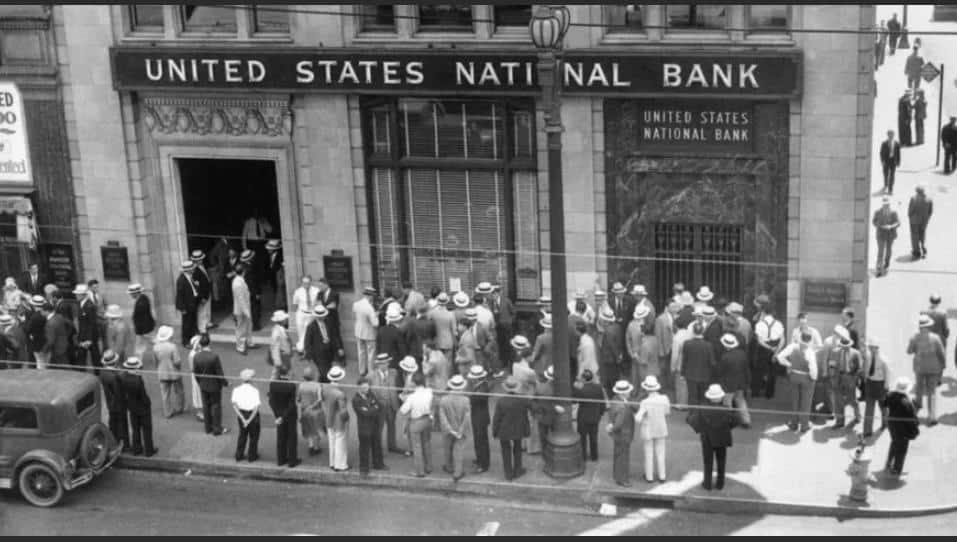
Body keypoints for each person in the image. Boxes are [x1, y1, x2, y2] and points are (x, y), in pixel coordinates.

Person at [688, 384, 739, 491]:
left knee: (708, 462)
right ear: (721, 397)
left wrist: (701, 428)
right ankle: (720, 483)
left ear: (709, 397)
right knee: (721, 461)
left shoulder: (703, 408)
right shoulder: (726, 409)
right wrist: (727, 428)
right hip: (722, 438)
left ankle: (707, 484)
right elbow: (736, 420)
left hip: (707, 439)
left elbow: (691, 420)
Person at [776, 332, 819, 433]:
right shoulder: (810, 351)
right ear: (810, 340)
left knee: (794, 400)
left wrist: (789, 364)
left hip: (794, 376)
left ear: (800, 338)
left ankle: (794, 423)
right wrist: (814, 378)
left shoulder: (792, 347)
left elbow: (780, 357)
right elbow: (813, 368)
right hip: (806, 377)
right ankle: (804, 425)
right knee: (806, 402)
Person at [908, 314, 946, 426]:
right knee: (931, 392)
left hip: (919, 367)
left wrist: (914, 347)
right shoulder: (936, 338)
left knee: (919, 388)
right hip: (933, 368)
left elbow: (909, 351)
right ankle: (931, 416)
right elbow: (941, 353)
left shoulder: (915, 337)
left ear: (919, 327)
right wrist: (943, 365)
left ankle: (917, 405)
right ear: (929, 326)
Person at [492, 377, 531, 481]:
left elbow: (497, 418)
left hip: (504, 430)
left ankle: (508, 474)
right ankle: (518, 470)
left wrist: (494, 431)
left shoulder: (501, 401)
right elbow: (534, 407)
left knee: (505, 450)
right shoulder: (523, 400)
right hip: (519, 428)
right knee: (518, 449)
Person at [823, 326, 862, 429]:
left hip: (850, 378)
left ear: (850, 345)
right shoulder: (835, 352)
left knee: (852, 400)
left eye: (847, 346)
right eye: (843, 346)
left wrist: (855, 379)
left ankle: (857, 416)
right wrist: (832, 377)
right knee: (838, 401)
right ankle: (840, 421)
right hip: (838, 377)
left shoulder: (856, 353)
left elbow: (859, 368)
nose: (845, 347)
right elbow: (831, 365)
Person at [882, 377, 920, 477]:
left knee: (894, 443)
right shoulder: (906, 402)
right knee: (901, 449)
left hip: (892, 424)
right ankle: (896, 469)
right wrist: (916, 429)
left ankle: (889, 463)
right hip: (902, 429)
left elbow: (884, 404)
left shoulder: (890, 395)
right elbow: (912, 419)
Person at [635, 375, 671, 483]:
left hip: (648, 430)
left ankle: (649, 477)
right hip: (660, 428)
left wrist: (639, 416)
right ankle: (662, 476)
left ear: (646, 389)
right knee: (661, 453)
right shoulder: (665, 399)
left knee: (648, 454)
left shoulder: (645, 402)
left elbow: (638, 418)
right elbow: (667, 412)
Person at [120, 356, 157, 456]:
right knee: (147, 429)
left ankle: (136, 449)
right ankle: (149, 450)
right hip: (143, 408)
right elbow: (143, 395)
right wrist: (148, 403)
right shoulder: (138, 380)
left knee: (135, 429)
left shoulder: (123, 377)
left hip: (132, 407)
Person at [399, 371, 434, 478]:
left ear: (414, 383)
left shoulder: (412, 397)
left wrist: (403, 398)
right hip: (427, 419)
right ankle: (428, 467)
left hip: (416, 422)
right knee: (426, 444)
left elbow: (403, 411)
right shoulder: (429, 392)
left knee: (417, 447)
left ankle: (420, 471)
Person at [192, 334, 228, 436]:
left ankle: (207, 428)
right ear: (209, 343)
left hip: (203, 385)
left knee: (206, 406)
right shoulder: (214, 356)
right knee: (216, 407)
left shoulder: (196, 356)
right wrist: (225, 383)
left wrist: (200, 382)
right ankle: (217, 429)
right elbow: (219, 373)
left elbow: (196, 373)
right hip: (214, 386)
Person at [439, 374, 472, 482]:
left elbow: (442, 417)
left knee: (447, 448)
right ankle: (457, 473)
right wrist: (461, 430)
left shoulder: (444, 400)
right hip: (460, 430)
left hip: (448, 430)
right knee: (459, 451)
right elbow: (467, 417)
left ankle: (448, 467)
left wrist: (450, 430)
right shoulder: (466, 400)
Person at [607, 379, 638, 487]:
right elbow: (618, 424)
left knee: (617, 455)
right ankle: (623, 479)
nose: (630, 392)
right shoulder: (622, 407)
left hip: (618, 435)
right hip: (624, 434)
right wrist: (612, 428)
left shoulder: (615, 399)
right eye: (628, 391)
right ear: (624, 393)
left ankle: (617, 475)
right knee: (623, 458)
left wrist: (610, 428)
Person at [353, 376, 385, 477]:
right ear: (359, 387)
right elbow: (365, 413)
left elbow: (379, 406)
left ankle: (378, 464)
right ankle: (364, 469)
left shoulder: (371, 393)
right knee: (364, 448)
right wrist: (373, 408)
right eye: (364, 388)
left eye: (367, 387)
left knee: (377, 445)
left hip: (374, 425)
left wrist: (371, 409)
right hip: (364, 428)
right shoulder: (356, 399)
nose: (367, 389)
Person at [717, 333, 751, 428]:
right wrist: (747, 382)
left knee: (727, 403)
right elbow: (746, 369)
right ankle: (746, 421)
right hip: (741, 383)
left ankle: (728, 421)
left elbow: (720, 372)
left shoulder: (725, 357)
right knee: (741, 401)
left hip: (728, 384)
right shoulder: (742, 354)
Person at [370, 353, 402, 455]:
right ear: (378, 364)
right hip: (379, 407)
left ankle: (392, 446)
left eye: (386, 363)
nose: (384, 365)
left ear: (388, 363)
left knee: (392, 426)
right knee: (378, 428)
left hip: (392, 405)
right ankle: (377, 448)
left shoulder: (394, 373)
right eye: (382, 363)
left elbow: (398, 387)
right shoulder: (371, 376)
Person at [269, 366, 300, 468]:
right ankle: (292, 461)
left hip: (278, 414)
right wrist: (283, 416)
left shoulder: (273, 384)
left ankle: (281, 459)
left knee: (281, 437)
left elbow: (271, 402)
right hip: (290, 415)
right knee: (291, 437)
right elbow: (291, 404)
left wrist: (278, 416)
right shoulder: (291, 386)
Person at [751, 306, 784, 399]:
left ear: (764, 313)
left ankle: (756, 392)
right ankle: (769, 393)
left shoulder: (760, 324)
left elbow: (760, 340)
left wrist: (769, 347)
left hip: (763, 349)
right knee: (772, 372)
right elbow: (782, 339)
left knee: (759, 370)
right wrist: (776, 351)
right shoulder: (779, 324)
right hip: (776, 347)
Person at [573, 369, 606, 461]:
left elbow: (574, 400)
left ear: (584, 379)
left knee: (582, 439)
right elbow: (602, 402)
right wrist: (600, 414)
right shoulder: (598, 388)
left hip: (583, 418)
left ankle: (583, 456)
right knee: (594, 438)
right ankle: (594, 456)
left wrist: (575, 388)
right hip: (594, 417)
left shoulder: (581, 390)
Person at [304, 305, 342, 384]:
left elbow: (334, 336)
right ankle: (326, 385)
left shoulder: (329, 323)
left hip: (330, 352)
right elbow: (307, 342)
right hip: (318, 354)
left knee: (327, 370)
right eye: (320, 316)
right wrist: (309, 355)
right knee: (324, 372)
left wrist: (339, 348)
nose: (322, 317)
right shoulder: (311, 326)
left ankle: (322, 383)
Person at [153, 325, 184, 418]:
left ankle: (167, 412)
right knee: (179, 391)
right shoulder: (172, 347)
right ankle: (179, 408)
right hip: (174, 373)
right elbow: (177, 361)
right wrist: (179, 368)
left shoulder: (155, 347)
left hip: (162, 373)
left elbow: (155, 361)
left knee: (165, 394)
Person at [98, 350, 128, 448]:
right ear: (114, 362)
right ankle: (122, 445)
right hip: (118, 404)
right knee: (121, 425)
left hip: (110, 403)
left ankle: (112, 442)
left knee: (113, 423)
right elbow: (118, 392)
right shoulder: (114, 377)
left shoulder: (102, 372)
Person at [861, 337, 890, 438]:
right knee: (869, 408)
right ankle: (867, 431)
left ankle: (885, 423)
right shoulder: (868, 357)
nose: (870, 349)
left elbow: (887, 373)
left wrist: (886, 385)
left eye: (872, 347)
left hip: (880, 384)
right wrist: (865, 380)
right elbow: (866, 368)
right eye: (869, 347)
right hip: (870, 384)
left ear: (877, 348)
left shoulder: (883, 359)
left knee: (883, 406)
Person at [323, 365, 350, 471]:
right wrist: (347, 419)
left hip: (329, 419)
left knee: (332, 442)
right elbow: (343, 410)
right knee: (340, 443)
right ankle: (340, 465)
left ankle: (332, 463)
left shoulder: (325, 389)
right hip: (339, 421)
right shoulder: (340, 394)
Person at [682, 322, 715, 405]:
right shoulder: (708, 345)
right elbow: (712, 362)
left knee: (692, 397)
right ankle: (702, 412)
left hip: (690, 374)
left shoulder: (687, 343)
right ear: (703, 331)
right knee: (703, 397)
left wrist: (682, 373)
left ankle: (692, 412)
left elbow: (684, 360)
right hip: (704, 375)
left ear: (693, 331)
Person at [466, 365, 492, 473]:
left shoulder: (481, 389)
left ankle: (484, 464)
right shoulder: (480, 386)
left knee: (481, 441)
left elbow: (471, 399)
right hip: (478, 416)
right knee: (478, 440)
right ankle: (480, 459)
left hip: (480, 418)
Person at [232, 369, 261, 462]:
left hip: (242, 414)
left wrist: (243, 419)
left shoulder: (236, 390)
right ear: (251, 379)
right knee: (254, 436)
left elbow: (235, 406)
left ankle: (239, 455)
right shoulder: (255, 391)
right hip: (253, 416)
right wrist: (249, 420)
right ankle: (252, 456)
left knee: (242, 435)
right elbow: (256, 408)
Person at [378, 303, 408, 385]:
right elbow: (402, 350)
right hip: (395, 363)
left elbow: (378, 347)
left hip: (382, 361)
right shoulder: (398, 332)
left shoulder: (381, 330)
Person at [352, 287, 379, 377]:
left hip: (359, 331)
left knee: (361, 352)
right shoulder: (369, 308)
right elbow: (375, 323)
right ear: (370, 296)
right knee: (371, 353)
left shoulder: (356, 304)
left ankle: (362, 370)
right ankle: (370, 371)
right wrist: (376, 315)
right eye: (373, 296)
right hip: (369, 333)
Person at [298, 366, 324, 456]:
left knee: (308, 428)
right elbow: (320, 399)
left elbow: (298, 399)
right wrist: (312, 406)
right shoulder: (317, 385)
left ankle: (311, 446)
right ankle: (316, 447)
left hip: (304, 410)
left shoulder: (301, 385)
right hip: (315, 410)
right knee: (316, 429)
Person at [598, 306, 625, 397]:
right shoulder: (618, 327)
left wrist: (617, 357)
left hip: (610, 358)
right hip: (615, 357)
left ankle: (612, 396)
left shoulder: (608, 331)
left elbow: (612, 345)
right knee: (616, 376)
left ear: (606, 321)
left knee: (610, 379)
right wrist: (619, 355)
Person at [75, 283, 101, 372]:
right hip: (83, 335)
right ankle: (81, 373)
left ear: (83, 295)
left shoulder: (90, 306)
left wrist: (89, 339)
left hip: (90, 336)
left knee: (95, 356)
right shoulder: (80, 303)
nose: (76, 296)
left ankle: (98, 373)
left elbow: (91, 324)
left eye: (78, 294)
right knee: (82, 357)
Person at [873, 196, 901, 277]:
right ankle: (879, 268)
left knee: (888, 250)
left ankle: (887, 262)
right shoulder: (877, 212)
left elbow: (898, 222)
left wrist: (891, 226)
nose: (886, 206)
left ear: (889, 204)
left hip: (890, 234)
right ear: (882, 204)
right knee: (880, 251)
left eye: (887, 204)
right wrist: (881, 225)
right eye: (885, 204)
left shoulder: (894, 212)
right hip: (881, 234)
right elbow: (874, 222)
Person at [175, 260, 201, 348]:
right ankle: (185, 341)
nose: (193, 270)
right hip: (186, 305)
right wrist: (182, 308)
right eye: (192, 269)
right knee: (187, 324)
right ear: (188, 270)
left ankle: (192, 338)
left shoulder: (190, 277)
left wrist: (196, 285)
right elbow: (180, 295)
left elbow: (192, 288)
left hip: (192, 303)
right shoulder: (181, 280)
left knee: (192, 322)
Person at [292, 276, 319, 354]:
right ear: (301, 283)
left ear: (311, 282)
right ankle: (303, 349)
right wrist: (296, 314)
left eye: (308, 283)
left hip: (311, 314)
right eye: (304, 283)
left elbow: (318, 303)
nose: (306, 284)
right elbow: (295, 304)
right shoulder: (298, 291)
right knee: (300, 331)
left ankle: (301, 348)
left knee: (306, 331)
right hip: (301, 313)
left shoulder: (316, 290)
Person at [128, 283, 156, 358]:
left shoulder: (142, 301)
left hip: (145, 328)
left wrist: (144, 331)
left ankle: (163, 352)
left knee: (154, 342)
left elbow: (143, 317)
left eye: (131, 294)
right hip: (142, 329)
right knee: (139, 346)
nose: (131, 295)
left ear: (136, 293)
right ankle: (138, 360)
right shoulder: (141, 300)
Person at [232, 264, 253, 354]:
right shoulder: (238, 283)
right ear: (243, 271)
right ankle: (240, 347)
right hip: (241, 310)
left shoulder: (239, 280)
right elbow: (241, 300)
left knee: (248, 327)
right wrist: (246, 312)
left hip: (244, 308)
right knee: (240, 328)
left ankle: (249, 342)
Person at [190, 250, 213, 332]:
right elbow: (197, 286)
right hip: (202, 294)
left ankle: (207, 323)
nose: (202, 260)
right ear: (196, 260)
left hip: (207, 291)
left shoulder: (202, 266)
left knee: (207, 309)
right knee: (201, 311)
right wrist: (201, 297)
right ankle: (202, 328)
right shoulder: (195, 270)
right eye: (200, 259)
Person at [240, 250, 263, 331]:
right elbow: (252, 282)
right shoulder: (249, 269)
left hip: (248, 291)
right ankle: (255, 325)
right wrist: (256, 293)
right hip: (251, 292)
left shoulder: (245, 267)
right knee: (254, 308)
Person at [908, 185, 933, 260]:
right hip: (924, 221)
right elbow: (930, 211)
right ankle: (924, 249)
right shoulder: (929, 199)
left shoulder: (913, 199)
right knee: (923, 235)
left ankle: (916, 251)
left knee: (914, 236)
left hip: (914, 221)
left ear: (917, 191)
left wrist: (910, 218)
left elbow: (910, 211)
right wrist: (927, 219)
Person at [207, 236, 231, 309]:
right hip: (221, 269)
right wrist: (216, 265)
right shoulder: (219, 245)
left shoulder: (227, 244)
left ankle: (224, 304)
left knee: (224, 287)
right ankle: (220, 305)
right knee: (219, 287)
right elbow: (211, 256)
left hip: (226, 269)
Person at [25, 296, 47, 368]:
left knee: (39, 362)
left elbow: (28, 329)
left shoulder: (34, 316)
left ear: (34, 305)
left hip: (36, 342)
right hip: (45, 342)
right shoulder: (45, 314)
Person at [269, 310, 293, 375]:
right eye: (285, 319)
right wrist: (278, 362)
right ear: (281, 320)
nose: (286, 320)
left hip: (284, 355)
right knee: (279, 373)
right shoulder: (277, 332)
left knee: (282, 373)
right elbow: (275, 347)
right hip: (282, 357)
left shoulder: (280, 329)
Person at [265, 240, 285, 311]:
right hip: (273, 278)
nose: (268, 250)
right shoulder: (268, 256)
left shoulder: (281, 257)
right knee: (275, 291)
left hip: (278, 277)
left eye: (270, 249)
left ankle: (282, 306)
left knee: (280, 292)